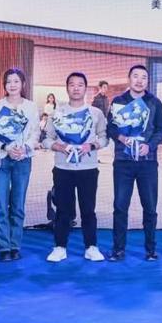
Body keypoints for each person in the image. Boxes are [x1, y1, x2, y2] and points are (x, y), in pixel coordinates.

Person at [43, 71, 108, 263]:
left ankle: (91, 247)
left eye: (80, 85)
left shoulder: (95, 113)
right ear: (67, 88)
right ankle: (60, 247)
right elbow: (46, 139)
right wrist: (59, 147)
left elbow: (104, 138)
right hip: (63, 168)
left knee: (88, 209)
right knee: (63, 210)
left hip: (88, 168)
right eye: (72, 84)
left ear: (85, 88)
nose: (76, 88)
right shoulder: (57, 113)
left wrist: (91, 146)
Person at [106, 65, 162, 260]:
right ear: (129, 79)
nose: (139, 80)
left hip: (147, 162)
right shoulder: (118, 101)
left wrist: (150, 145)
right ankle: (118, 249)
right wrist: (121, 137)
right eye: (136, 76)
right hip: (123, 162)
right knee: (120, 207)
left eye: (144, 77)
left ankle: (150, 250)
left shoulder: (154, 102)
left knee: (150, 207)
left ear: (147, 81)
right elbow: (110, 127)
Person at [0, 67, 40, 261]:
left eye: (16, 81)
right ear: (4, 85)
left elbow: (35, 132)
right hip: (1, 158)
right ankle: (3, 247)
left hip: (23, 159)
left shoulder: (31, 106)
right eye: (9, 82)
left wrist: (25, 148)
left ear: (23, 84)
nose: (12, 85)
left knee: (18, 204)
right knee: (0, 204)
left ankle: (15, 245)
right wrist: (6, 147)